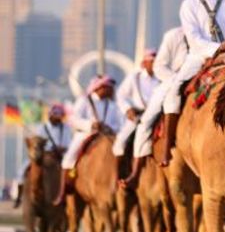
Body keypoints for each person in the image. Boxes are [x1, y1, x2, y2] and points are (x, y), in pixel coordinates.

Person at [157, 0, 225, 163]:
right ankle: (167, 143)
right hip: (199, 56)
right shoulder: (189, 4)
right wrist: (219, 50)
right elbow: (195, 39)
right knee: (173, 92)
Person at [121, 26, 191, 187]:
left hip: (206, 74)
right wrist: (177, 79)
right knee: (144, 124)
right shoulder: (174, 35)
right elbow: (161, 67)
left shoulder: (213, 29)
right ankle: (135, 172)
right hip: (173, 81)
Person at [55, 75, 123, 204]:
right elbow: (73, 119)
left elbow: (118, 124)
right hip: (87, 134)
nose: (112, 90)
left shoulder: (113, 105)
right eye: (109, 88)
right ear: (100, 88)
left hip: (108, 136)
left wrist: (109, 127)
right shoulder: (85, 101)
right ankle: (63, 191)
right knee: (69, 157)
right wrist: (91, 124)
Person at [14, 104, 71, 207]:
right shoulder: (41, 127)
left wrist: (60, 149)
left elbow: (67, 144)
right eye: (55, 115)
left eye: (59, 115)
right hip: (43, 154)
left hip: (60, 156)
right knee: (22, 170)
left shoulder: (66, 128)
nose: (57, 117)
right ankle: (19, 197)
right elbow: (37, 142)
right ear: (50, 115)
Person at [113, 49, 159, 158]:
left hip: (157, 115)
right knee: (120, 142)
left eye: (156, 62)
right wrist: (127, 110)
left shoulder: (161, 78)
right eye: (151, 62)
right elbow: (121, 95)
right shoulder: (134, 77)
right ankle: (118, 172)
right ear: (144, 63)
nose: (154, 64)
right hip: (138, 116)